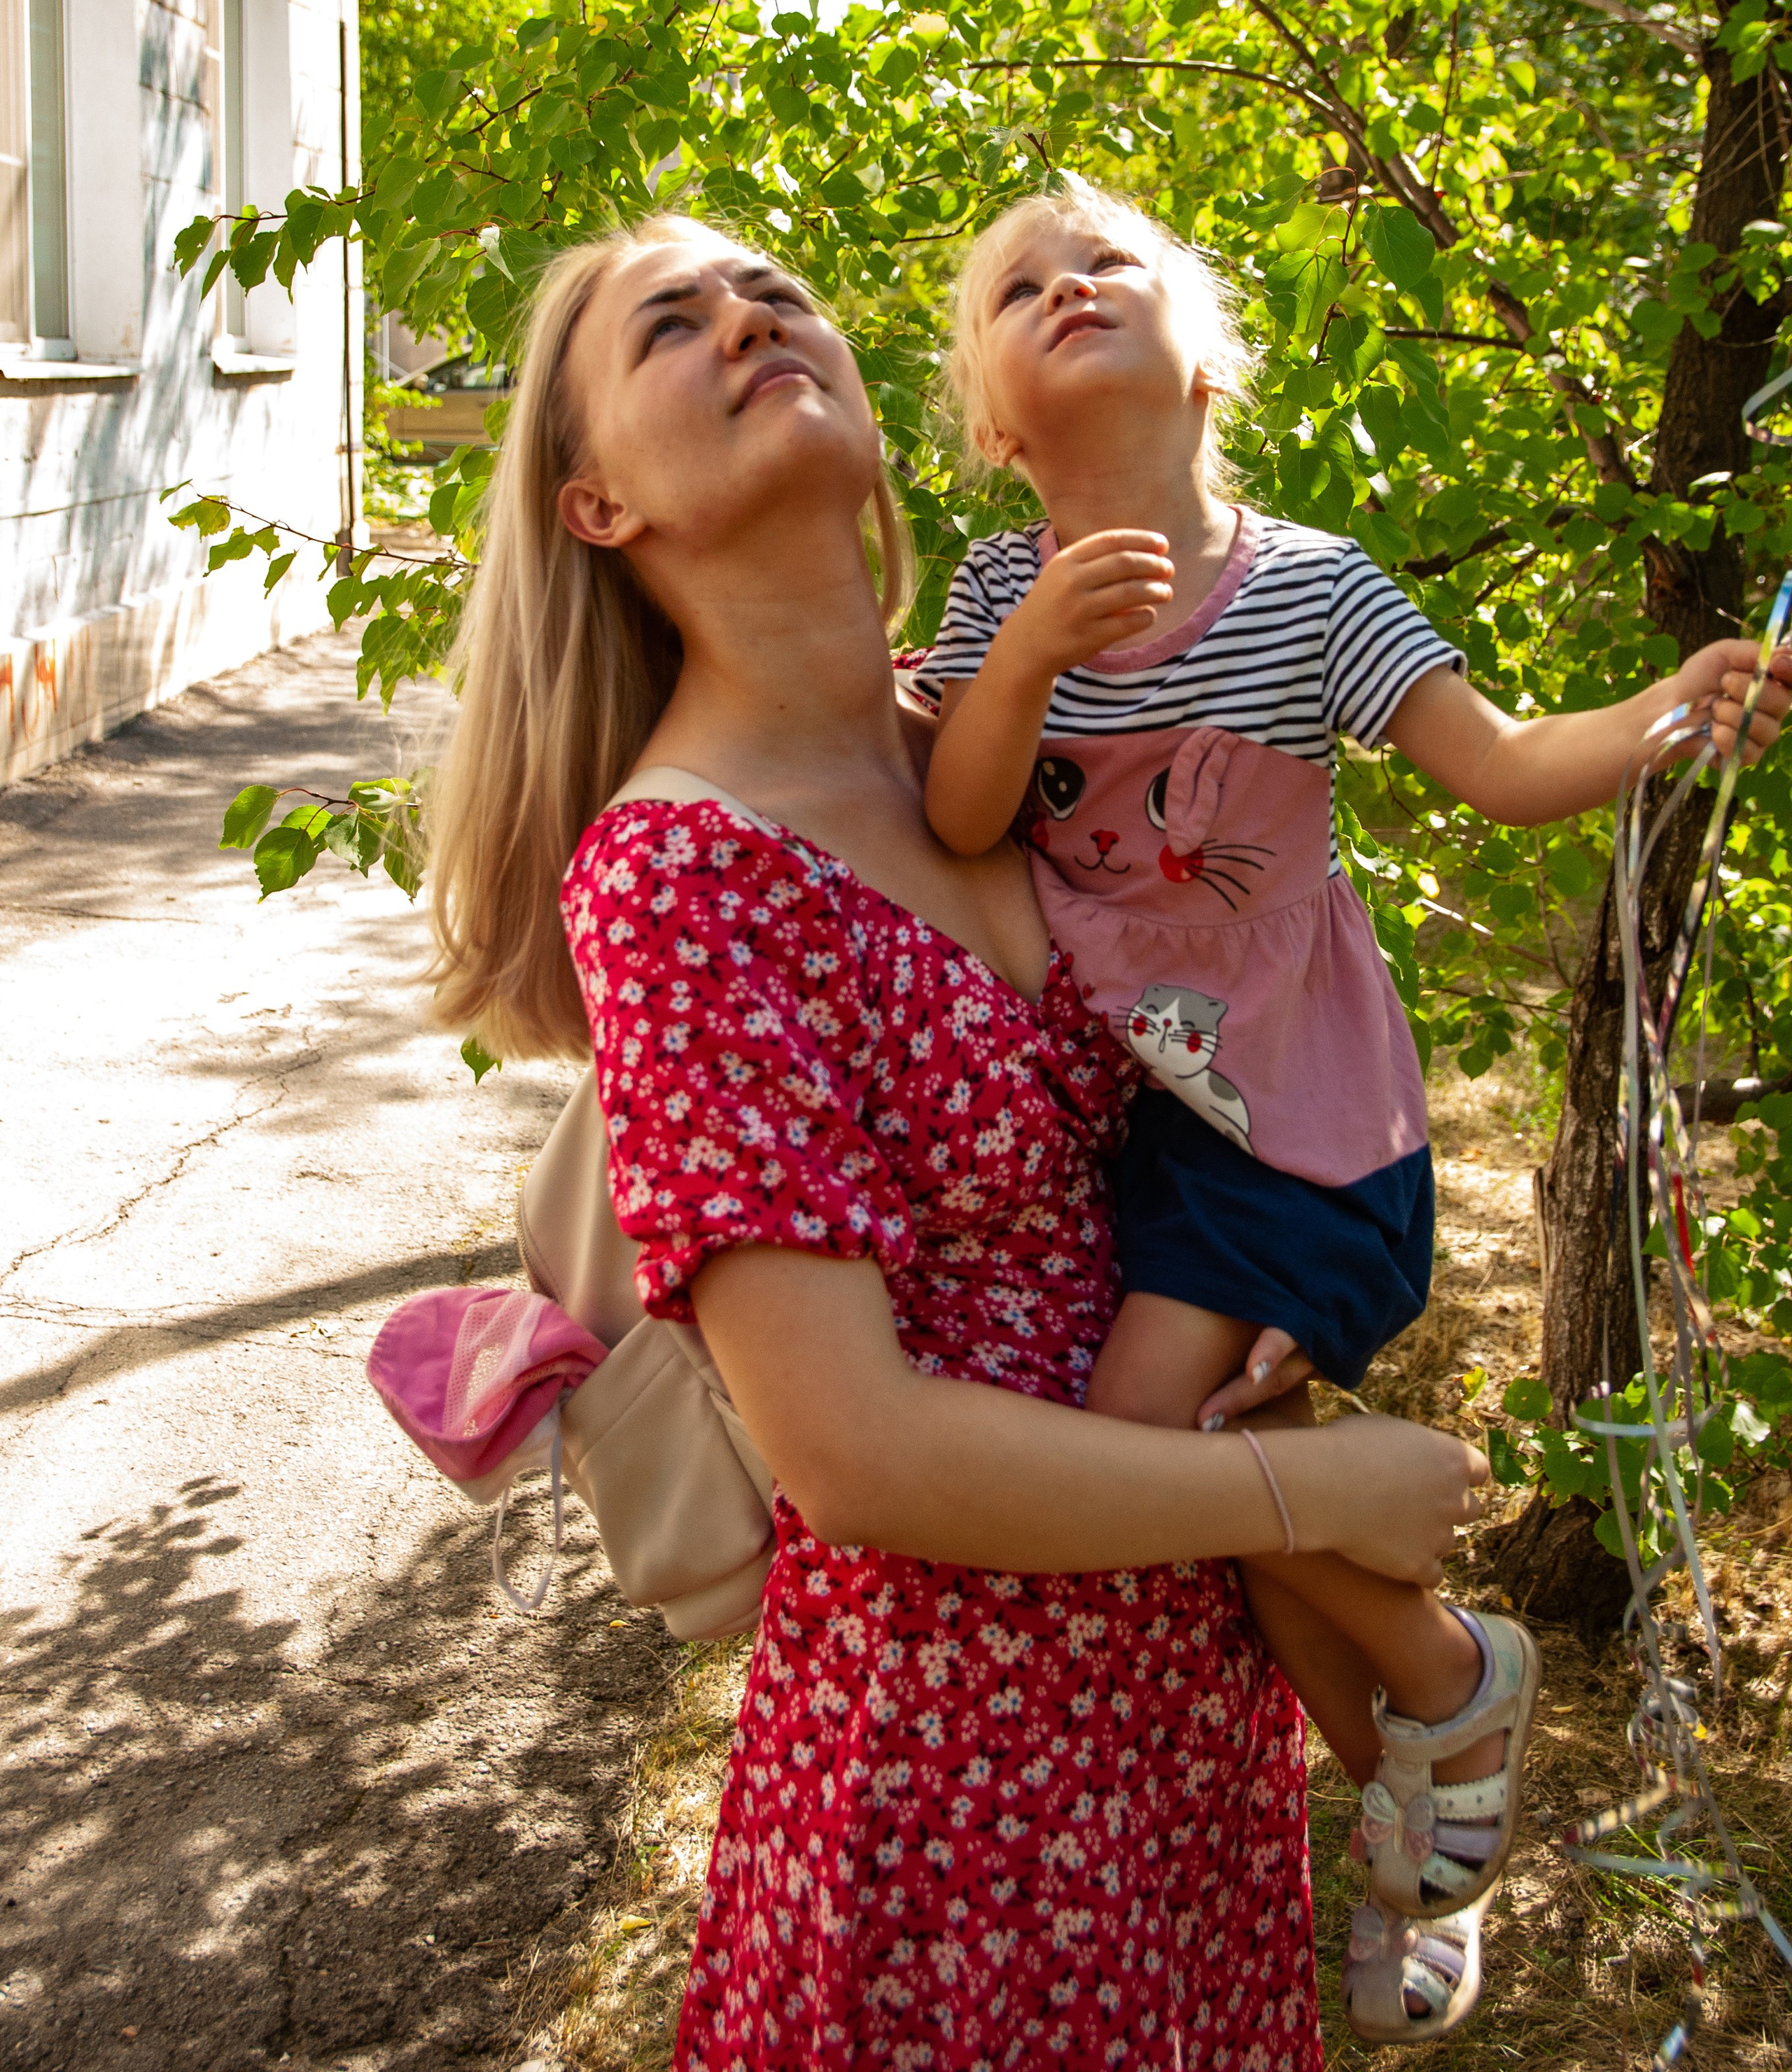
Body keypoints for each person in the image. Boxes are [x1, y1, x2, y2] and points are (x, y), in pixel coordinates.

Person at [424, 211, 1493, 2068]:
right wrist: (1318, 1494)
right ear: (599, 504)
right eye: (673, 323)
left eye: (775, 288)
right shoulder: (683, 872)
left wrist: (1266, 1277)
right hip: (953, 1802)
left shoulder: (999, 746)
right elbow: (856, 1456)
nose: (748, 315)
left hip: (1188, 1746)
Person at [916, 175, 1792, 2038]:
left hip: (1297, 1127)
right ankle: (1412, 1805)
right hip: (1146, 1129)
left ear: (1206, 361)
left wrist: (1655, 714)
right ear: (992, 417)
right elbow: (962, 814)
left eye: (1112, 265)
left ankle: (1451, 1663)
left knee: (1144, 1441)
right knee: (1235, 1523)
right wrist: (1024, 654)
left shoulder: (1311, 592)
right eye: (1020, 282)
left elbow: (1499, 767)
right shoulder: (996, 594)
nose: (1067, 282)